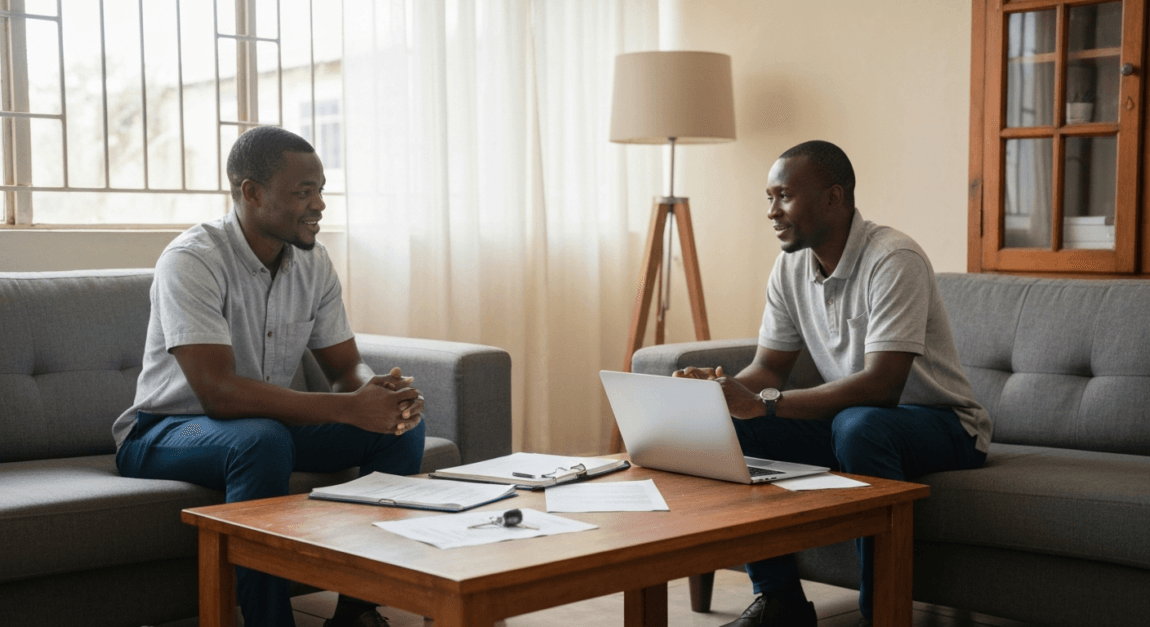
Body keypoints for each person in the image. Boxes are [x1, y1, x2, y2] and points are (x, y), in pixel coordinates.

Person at [114, 126, 425, 627]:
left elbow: (344, 368)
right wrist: (348, 407)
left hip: (264, 428)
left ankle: (356, 611)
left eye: (321, 189)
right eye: (304, 192)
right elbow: (219, 393)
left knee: (399, 429)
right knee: (261, 440)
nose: (319, 204)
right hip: (164, 430)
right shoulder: (193, 260)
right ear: (251, 193)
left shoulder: (313, 262)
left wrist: (375, 394)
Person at [675, 140, 991, 627]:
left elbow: (882, 385)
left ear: (833, 198)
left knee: (859, 426)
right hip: (856, 421)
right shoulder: (790, 266)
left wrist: (766, 405)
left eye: (783, 196)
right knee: (734, 430)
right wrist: (722, 395)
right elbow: (769, 370)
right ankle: (779, 601)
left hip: (944, 424)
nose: (771, 212)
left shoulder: (893, 258)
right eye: (768, 198)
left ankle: (879, 613)